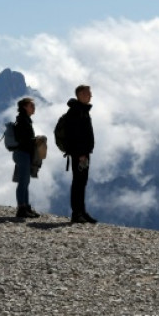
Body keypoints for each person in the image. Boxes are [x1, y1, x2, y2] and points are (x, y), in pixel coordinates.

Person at [63, 84, 97, 224]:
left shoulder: (82, 110)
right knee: (78, 182)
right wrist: (81, 153)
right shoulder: (76, 112)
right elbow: (75, 136)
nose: (91, 95)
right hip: (80, 155)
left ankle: (81, 212)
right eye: (88, 93)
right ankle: (77, 213)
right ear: (81, 94)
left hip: (83, 153)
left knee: (81, 182)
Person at [13, 97, 40, 218]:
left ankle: (26, 207)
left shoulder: (25, 120)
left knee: (25, 181)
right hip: (22, 153)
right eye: (31, 106)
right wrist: (35, 141)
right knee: (23, 182)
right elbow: (23, 140)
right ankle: (21, 209)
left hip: (23, 154)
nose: (34, 108)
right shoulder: (23, 121)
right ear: (25, 107)